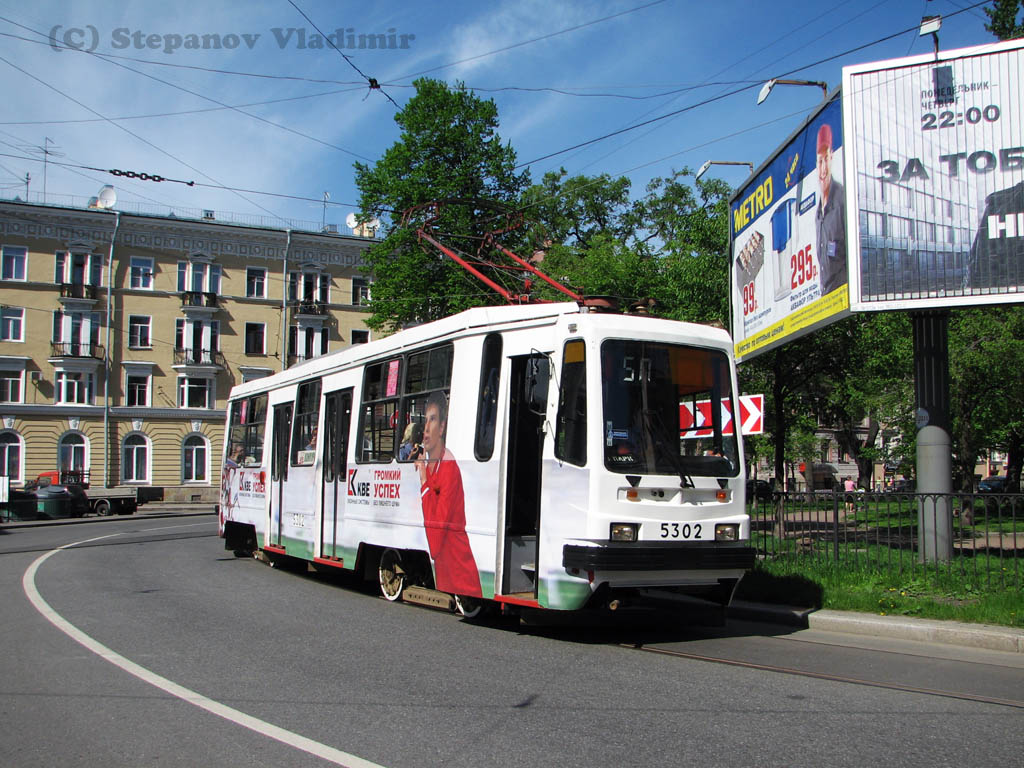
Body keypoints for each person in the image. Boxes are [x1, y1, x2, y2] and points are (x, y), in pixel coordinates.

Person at [416, 391, 482, 597]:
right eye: (425, 420)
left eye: (433, 420)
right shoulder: (435, 464)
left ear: (443, 427)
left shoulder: (448, 468)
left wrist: (424, 482)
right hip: (449, 573)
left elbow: (435, 544)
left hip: (461, 576)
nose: (426, 428)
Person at [815, 122, 847, 296]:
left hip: (844, 295)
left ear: (832, 157)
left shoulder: (843, 199)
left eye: (826, 159)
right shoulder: (818, 213)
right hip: (826, 299)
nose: (823, 168)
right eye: (820, 161)